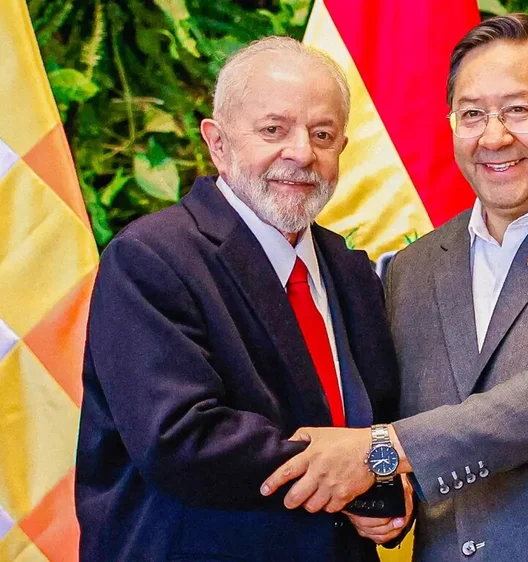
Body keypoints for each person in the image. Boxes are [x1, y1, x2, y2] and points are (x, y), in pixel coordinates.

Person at [261, 14, 528, 562]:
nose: (494, 136)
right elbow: (406, 421)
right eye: (472, 114)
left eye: (518, 109)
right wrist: (382, 496)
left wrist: (377, 452)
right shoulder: (413, 268)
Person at [75, 37, 410, 562]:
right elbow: (182, 440)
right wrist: (353, 471)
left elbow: (381, 422)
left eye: (322, 134)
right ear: (218, 142)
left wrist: (385, 480)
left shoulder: (351, 271)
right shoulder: (150, 259)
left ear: (342, 148)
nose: (302, 152)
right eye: (274, 130)